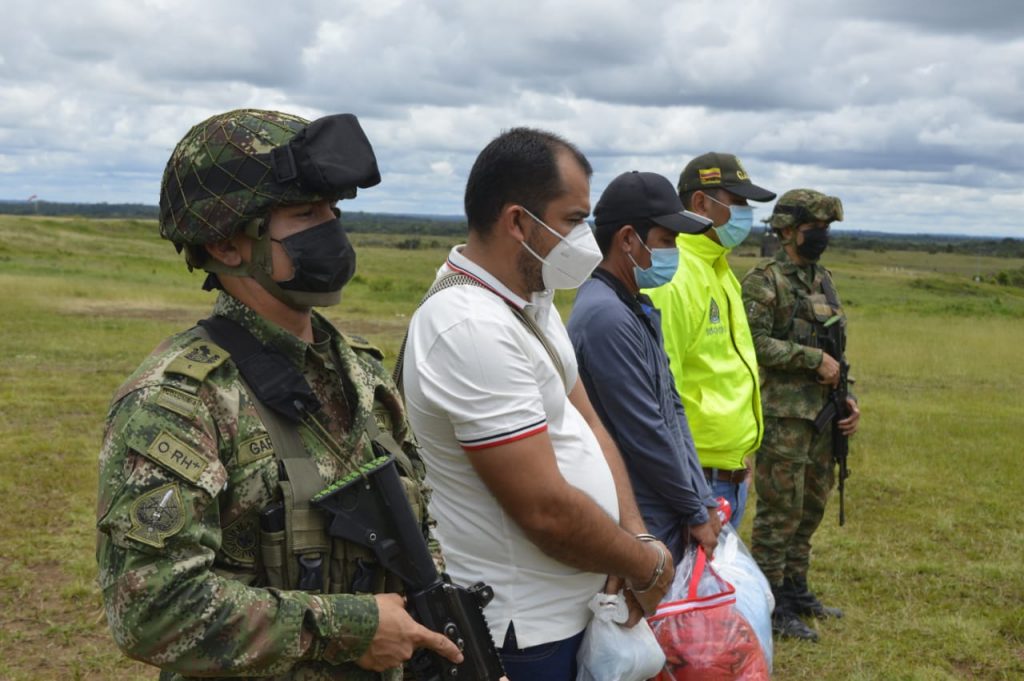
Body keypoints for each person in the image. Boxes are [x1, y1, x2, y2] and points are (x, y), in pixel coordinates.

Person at [95, 109, 463, 680]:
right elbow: (151, 608)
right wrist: (349, 627)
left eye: (333, 211)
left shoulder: (362, 374)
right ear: (226, 242)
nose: (332, 230)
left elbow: (419, 534)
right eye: (305, 214)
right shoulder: (178, 402)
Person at [400, 129, 673, 681]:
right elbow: (544, 511)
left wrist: (636, 534)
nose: (586, 240)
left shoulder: (529, 300)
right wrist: (645, 564)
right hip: (523, 633)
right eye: (573, 220)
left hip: (578, 609)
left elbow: (586, 420)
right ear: (518, 222)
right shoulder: (469, 326)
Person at [567, 170, 722, 565]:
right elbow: (644, 432)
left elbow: (673, 409)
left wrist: (701, 500)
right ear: (628, 240)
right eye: (666, 241)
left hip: (664, 507)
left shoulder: (634, 306)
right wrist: (692, 509)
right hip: (640, 514)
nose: (674, 253)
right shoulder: (606, 317)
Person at [741, 188, 861, 641]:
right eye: (815, 230)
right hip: (783, 418)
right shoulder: (764, 280)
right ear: (787, 231)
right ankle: (768, 603)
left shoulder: (823, 279)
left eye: (826, 230)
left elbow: (836, 350)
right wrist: (812, 361)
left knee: (810, 509)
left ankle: (795, 590)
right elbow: (753, 344)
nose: (822, 238)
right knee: (779, 515)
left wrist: (847, 397)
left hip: (821, 418)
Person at [644, 152, 777, 529]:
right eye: (737, 203)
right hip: (695, 479)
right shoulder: (677, 277)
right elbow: (661, 393)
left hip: (725, 472)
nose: (746, 214)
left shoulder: (719, 270)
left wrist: (737, 455)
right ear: (701, 203)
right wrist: (688, 491)